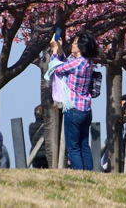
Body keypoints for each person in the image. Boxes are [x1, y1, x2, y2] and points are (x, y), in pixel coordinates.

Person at [46, 30, 99, 171]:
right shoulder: (88, 63)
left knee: (73, 146)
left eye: (75, 43)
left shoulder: (77, 63)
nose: (73, 45)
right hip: (86, 109)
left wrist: (54, 50)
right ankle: (89, 173)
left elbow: (56, 68)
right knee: (84, 144)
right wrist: (60, 49)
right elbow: (66, 63)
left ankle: (79, 174)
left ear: (81, 47)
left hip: (74, 108)